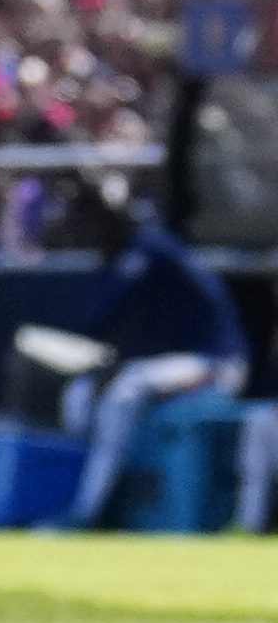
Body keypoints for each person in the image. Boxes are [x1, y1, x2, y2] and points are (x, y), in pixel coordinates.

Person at [62, 200, 248, 515]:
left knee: (123, 395)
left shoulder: (151, 249)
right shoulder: (126, 260)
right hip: (169, 365)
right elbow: (97, 323)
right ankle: (77, 498)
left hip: (218, 363)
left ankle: (86, 513)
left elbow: (100, 312)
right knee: (78, 395)